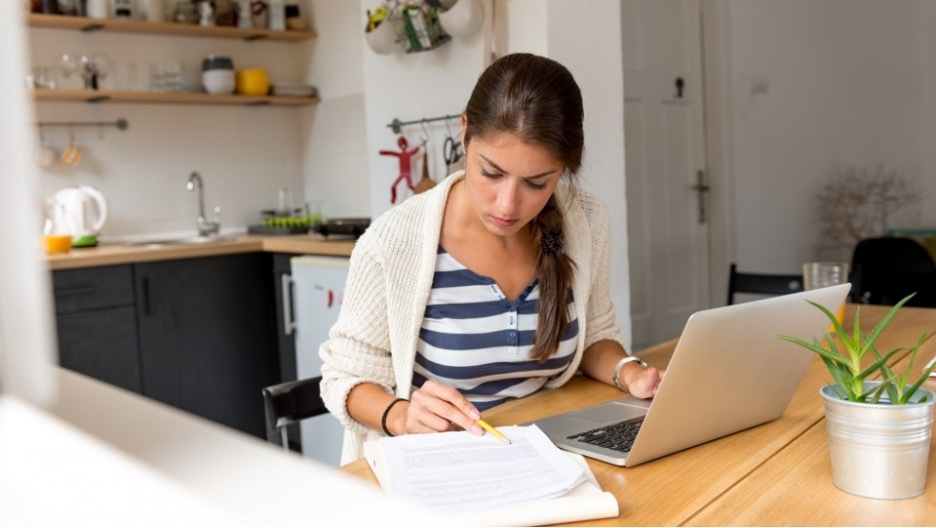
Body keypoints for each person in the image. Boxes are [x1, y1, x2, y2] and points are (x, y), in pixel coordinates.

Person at [320, 52, 663, 464]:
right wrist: (401, 415)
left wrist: (631, 373)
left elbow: (594, 335)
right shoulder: (395, 243)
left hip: (547, 451)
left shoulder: (583, 221)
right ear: (465, 133)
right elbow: (344, 377)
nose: (508, 204)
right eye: (491, 173)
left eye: (537, 183)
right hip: (440, 462)